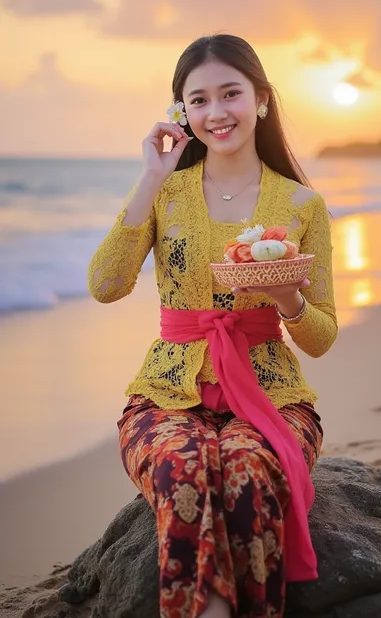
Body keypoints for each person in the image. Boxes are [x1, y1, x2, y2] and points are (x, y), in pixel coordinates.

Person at [88, 34, 337, 618]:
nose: (216, 112)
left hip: (272, 393)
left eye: (231, 93)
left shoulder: (302, 206)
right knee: (185, 469)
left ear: (262, 100)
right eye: (198, 100)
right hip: (167, 392)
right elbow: (105, 285)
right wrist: (151, 176)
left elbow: (321, 336)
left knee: (248, 473)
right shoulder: (166, 194)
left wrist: (288, 300)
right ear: (182, 112)